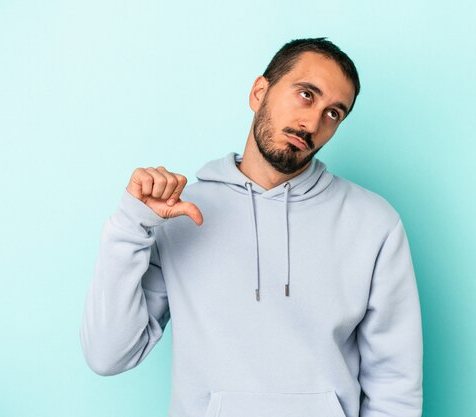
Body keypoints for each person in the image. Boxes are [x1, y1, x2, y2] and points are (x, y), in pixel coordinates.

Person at [80, 37, 423, 417]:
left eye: (333, 114)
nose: (312, 122)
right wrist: (132, 222)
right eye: (306, 95)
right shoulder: (180, 214)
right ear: (260, 92)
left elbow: (395, 383)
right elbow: (108, 355)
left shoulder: (374, 222)